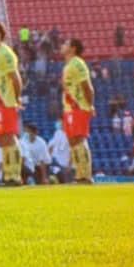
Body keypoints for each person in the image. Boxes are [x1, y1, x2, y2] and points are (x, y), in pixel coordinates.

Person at [0, 22, 23, 187]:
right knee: (2, 139)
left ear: (0, 35)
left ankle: (14, 175)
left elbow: (15, 78)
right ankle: (8, 175)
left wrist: (16, 98)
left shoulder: (6, 53)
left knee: (9, 137)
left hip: (6, 102)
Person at [60, 37, 95, 185]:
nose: (62, 46)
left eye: (66, 43)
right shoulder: (68, 65)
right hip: (70, 107)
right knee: (73, 141)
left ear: (73, 48)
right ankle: (79, 174)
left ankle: (86, 175)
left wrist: (89, 105)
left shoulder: (78, 64)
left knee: (79, 139)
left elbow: (87, 87)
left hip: (79, 107)